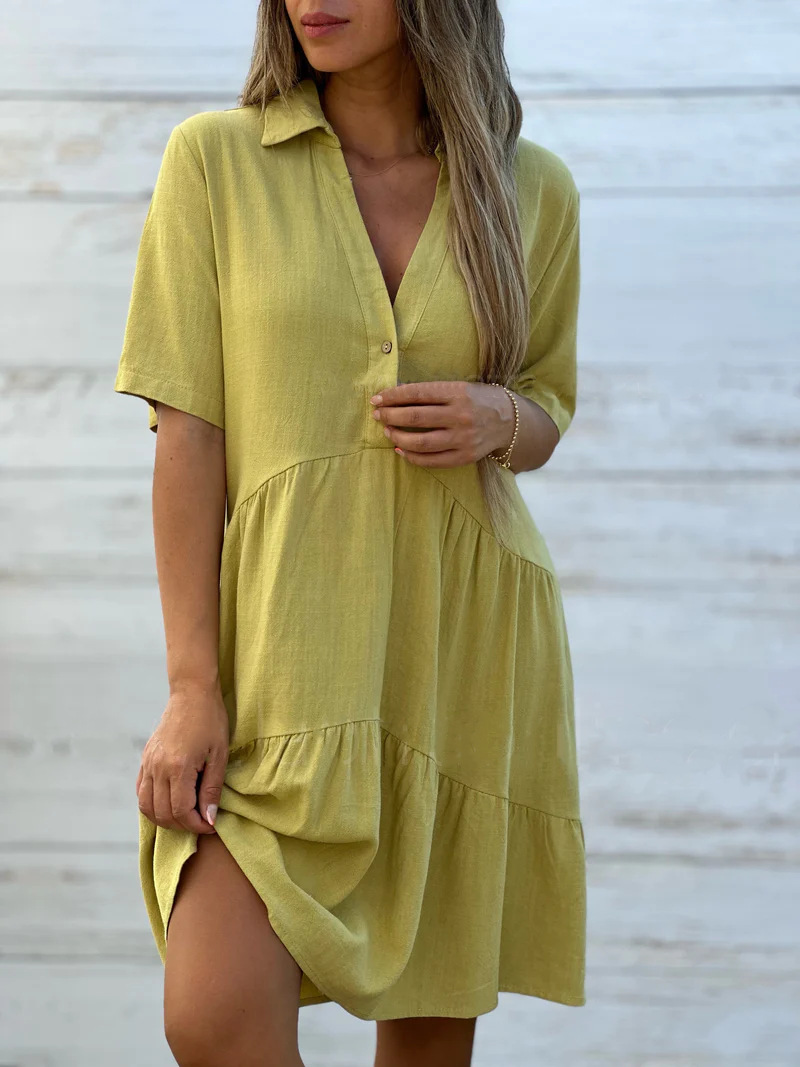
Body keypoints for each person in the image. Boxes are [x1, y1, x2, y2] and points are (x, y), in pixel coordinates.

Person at [113, 1, 585, 1064]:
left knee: (426, 1043)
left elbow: (546, 404)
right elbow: (188, 437)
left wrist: (499, 416)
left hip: (459, 654)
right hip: (284, 658)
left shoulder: (530, 188)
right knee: (212, 1013)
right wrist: (192, 686)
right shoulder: (217, 163)